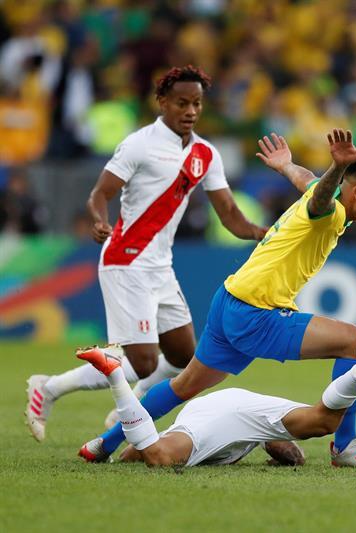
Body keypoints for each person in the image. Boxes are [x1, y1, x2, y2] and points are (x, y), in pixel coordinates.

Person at [79, 128, 356, 468]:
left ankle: (103, 444)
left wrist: (287, 165)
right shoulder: (330, 212)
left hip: (228, 299)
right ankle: (345, 446)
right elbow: (320, 198)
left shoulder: (328, 201)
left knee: (183, 385)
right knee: (355, 341)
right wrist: (336, 168)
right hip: (256, 313)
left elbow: (307, 181)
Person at [25, 65, 267, 442]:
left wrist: (263, 234)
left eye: (197, 104)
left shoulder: (205, 154)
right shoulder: (140, 144)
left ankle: (133, 405)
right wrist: (99, 220)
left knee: (185, 357)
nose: (190, 111)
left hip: (160, 266)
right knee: (143, 362)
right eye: (182, 103)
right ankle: (48, 388)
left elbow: (231, 215)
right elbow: (100, 193)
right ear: (163, 102)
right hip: (125, 260)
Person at [74, 341, 356, 468]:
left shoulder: (186, 438)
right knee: (323, 420)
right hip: (241, 405)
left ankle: (116, 377)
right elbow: (285, 450)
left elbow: (141, 453)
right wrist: (285, 455)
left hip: (221, 416)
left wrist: (284, 454)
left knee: (157, 456)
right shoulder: (194, 435)